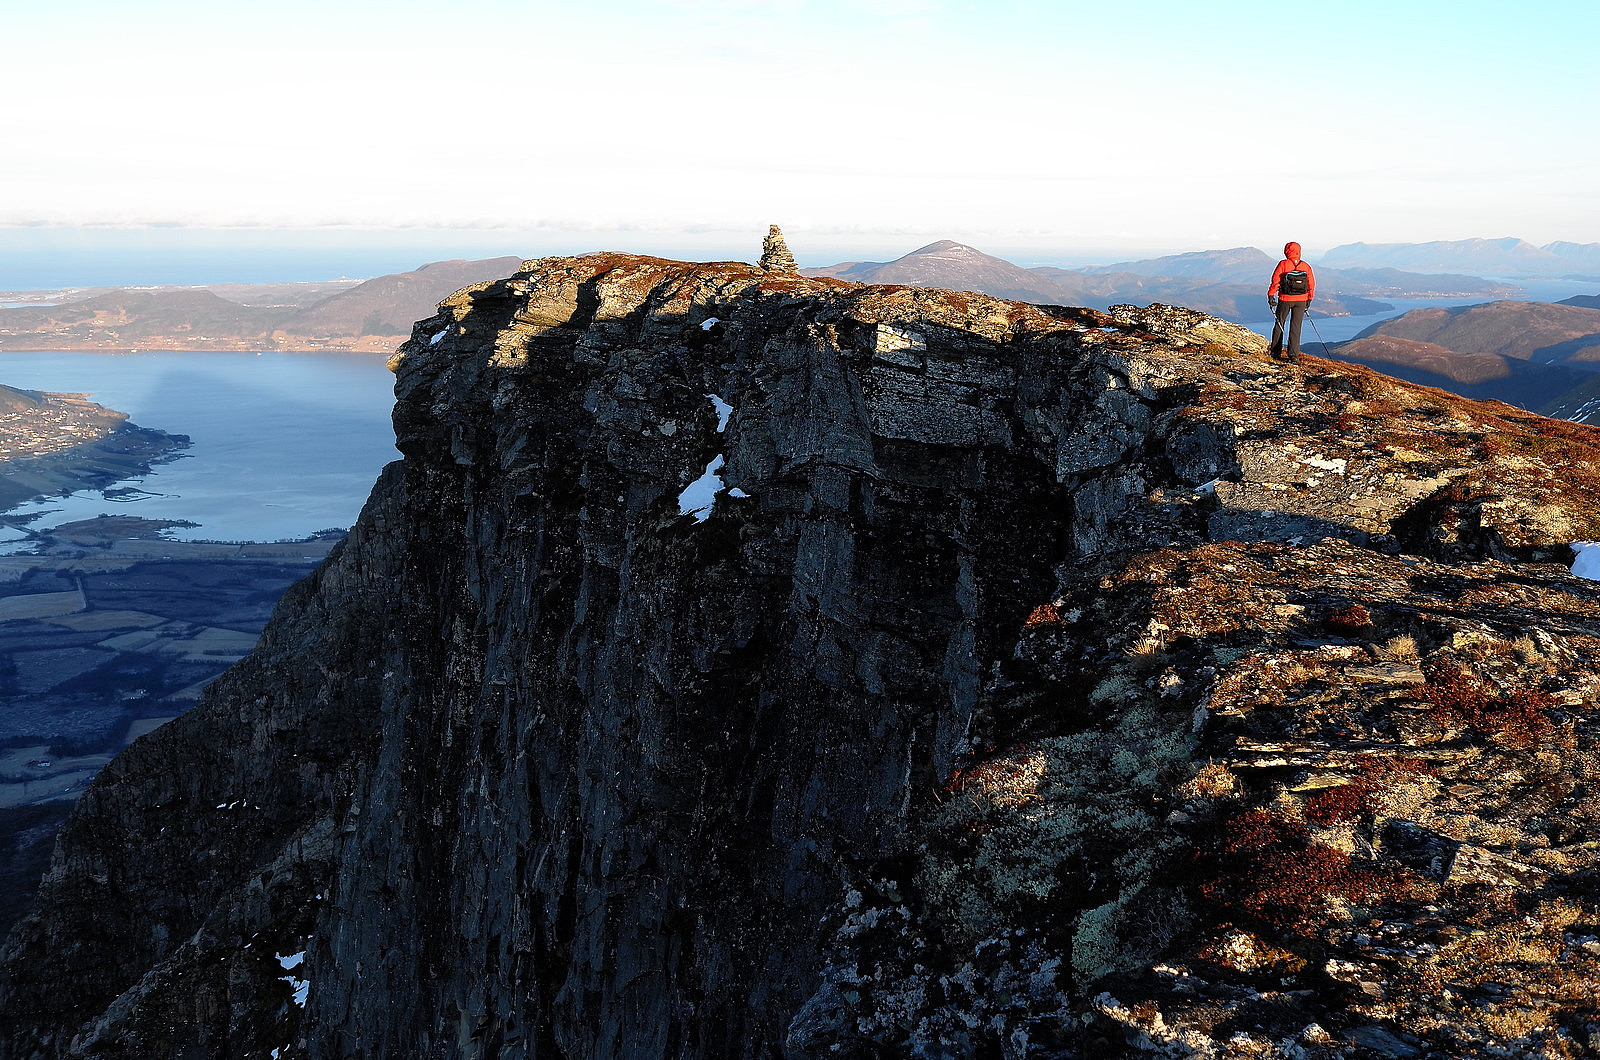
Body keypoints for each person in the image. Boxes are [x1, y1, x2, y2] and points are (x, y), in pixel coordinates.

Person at [1267, 241, 1315, 363]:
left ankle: (1275, 352)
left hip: (1285, 299)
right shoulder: (1306, 266)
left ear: (1286, 251)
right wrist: (1309, 298)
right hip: (1301, 300)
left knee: (1279, 324)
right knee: (1296, 327)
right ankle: (1293, 355)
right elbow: (1311, 284)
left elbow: (1275, 281)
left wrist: (1271, 295)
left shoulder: (1283, 264)